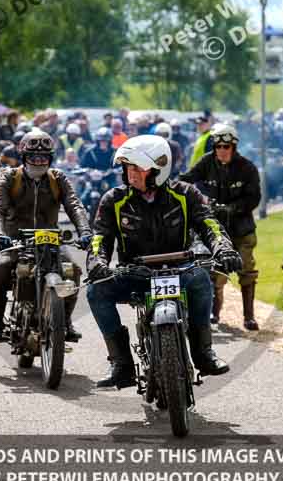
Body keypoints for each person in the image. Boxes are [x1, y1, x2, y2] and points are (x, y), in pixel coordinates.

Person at [86, 135, 242, 388]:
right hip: (135, 273)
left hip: (180, 269)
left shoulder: (186, 194)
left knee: (202, 279)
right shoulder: (113, 200)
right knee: (96, 291)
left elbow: (209, 224)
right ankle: (121, 364)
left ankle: (204, 354)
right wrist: (96, 263)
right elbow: (100, 238)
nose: (131, 174)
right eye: (128, 167)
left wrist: (224, 249)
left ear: (158, 169)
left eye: (137, 167)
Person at [0, 129, 93, 343]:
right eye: (34, 156)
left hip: (51, 238)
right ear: (24, 157)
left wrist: (85, 231)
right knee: (2, 267)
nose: (39, 161)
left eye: (44, 157)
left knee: (72, 271)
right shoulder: (10, 177)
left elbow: (75, 205)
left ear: (50, 158)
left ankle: (65, 321)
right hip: (15, 240)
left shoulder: (58, 178)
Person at [179, 124, 261, 330]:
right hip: (215, 229)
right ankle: (215, 314)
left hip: (242, 228)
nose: (222, 151)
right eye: (218, 147)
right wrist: (174, 183)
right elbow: (188, 179)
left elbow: (254, 197)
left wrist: (232, 208)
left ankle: (249, 316)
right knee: (214, 270)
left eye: (226, 146)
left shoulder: (247, 167)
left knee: (246, 269)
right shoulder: (206, 162)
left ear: (233, 147)